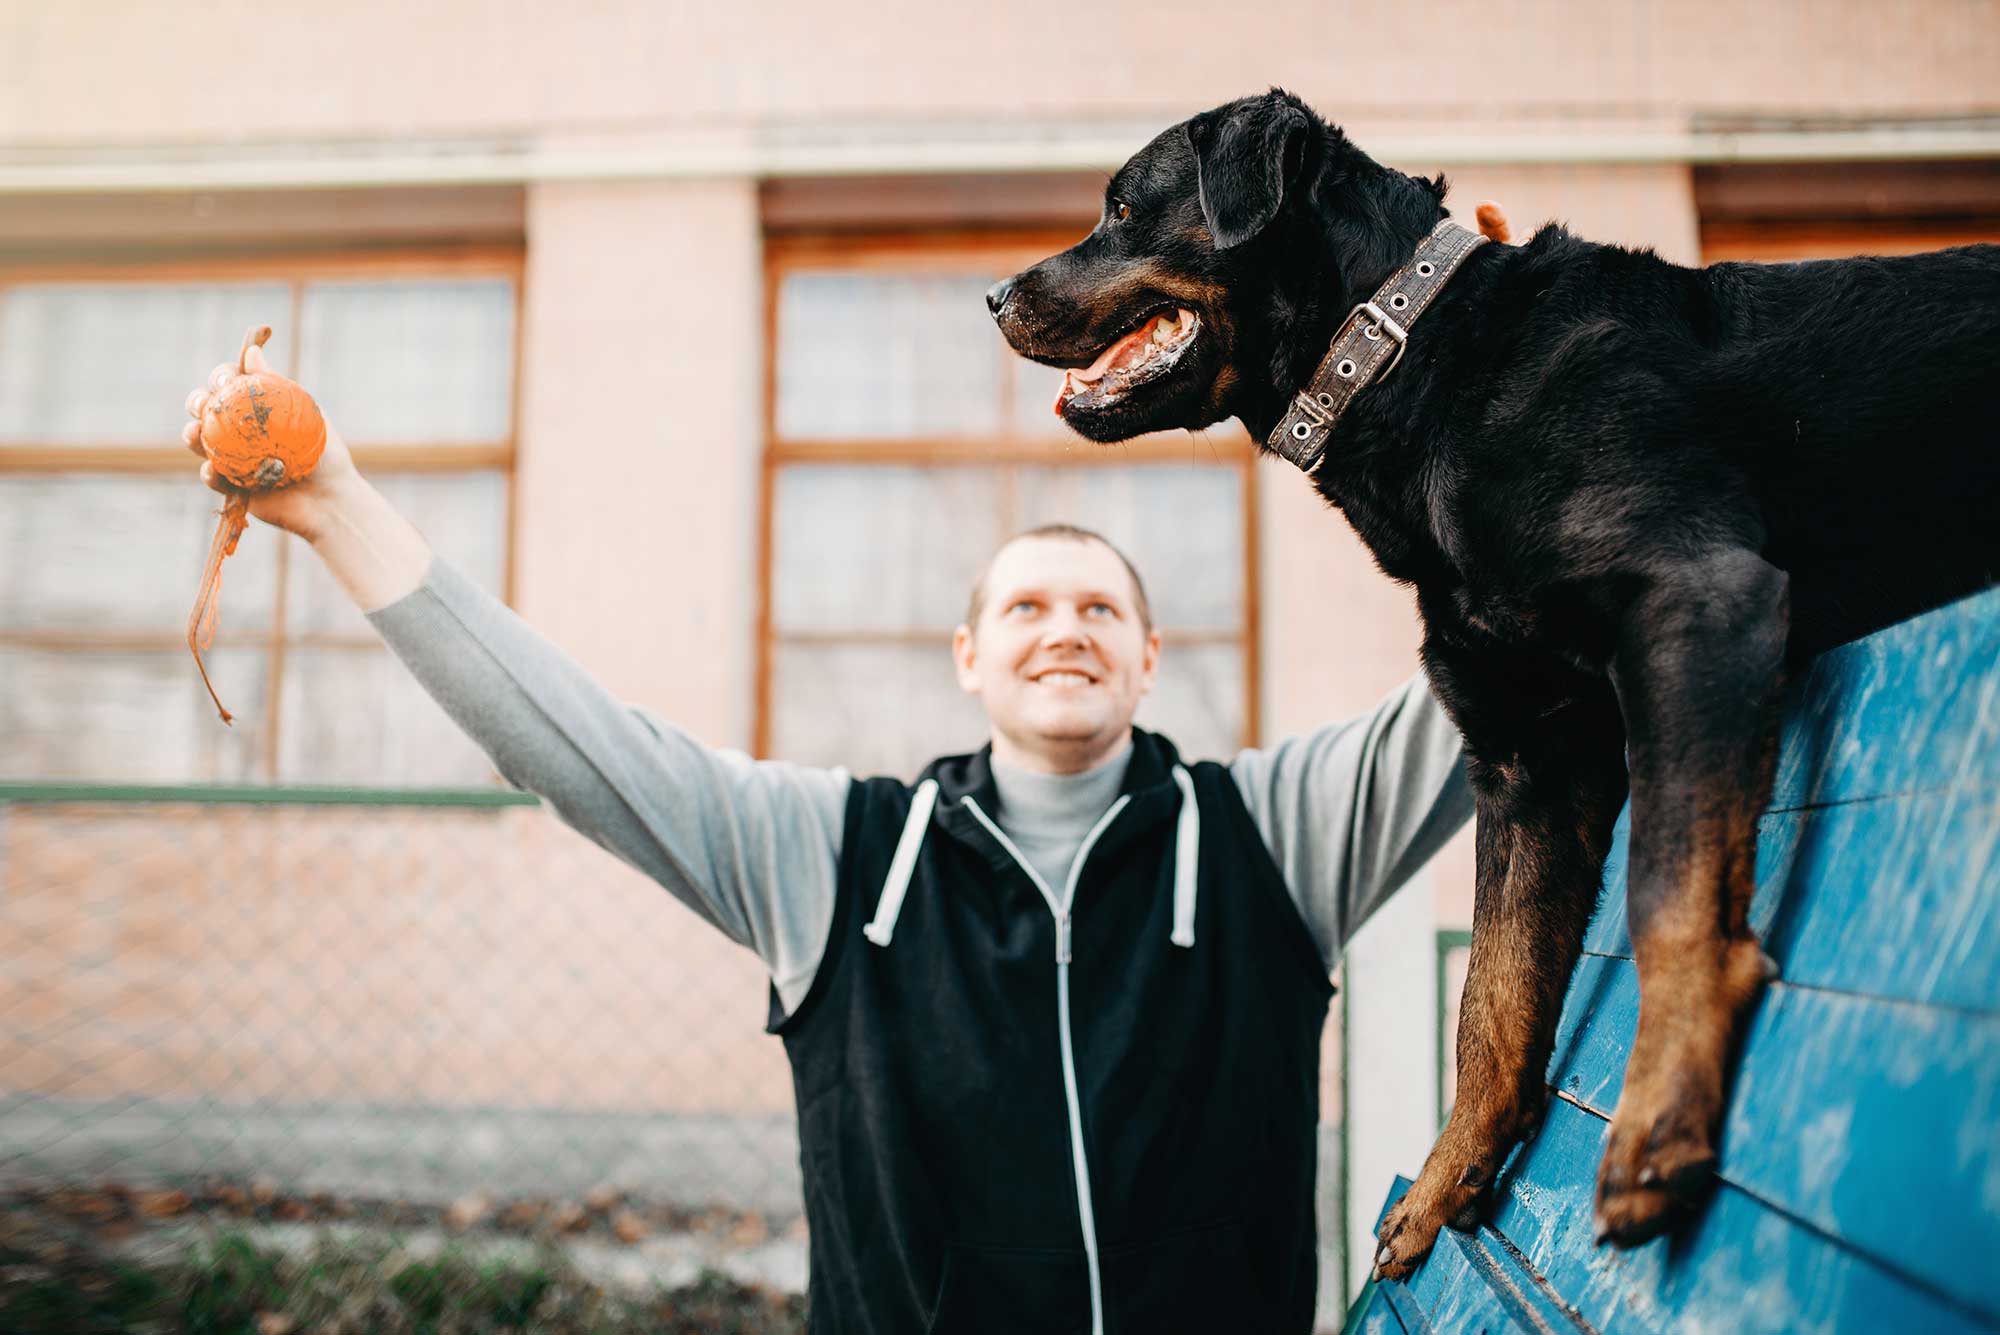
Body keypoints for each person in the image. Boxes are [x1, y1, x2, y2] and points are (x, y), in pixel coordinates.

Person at [182, 355, 1472, 1335]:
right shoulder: (840, 859)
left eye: (1099, 607)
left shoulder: (1276, 834)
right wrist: (341, 507)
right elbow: (573, 747)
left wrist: (1497, 409)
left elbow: (1511, 677)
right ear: (969, 659)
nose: (1062, 628)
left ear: (1148, 657)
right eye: (1024, 604)